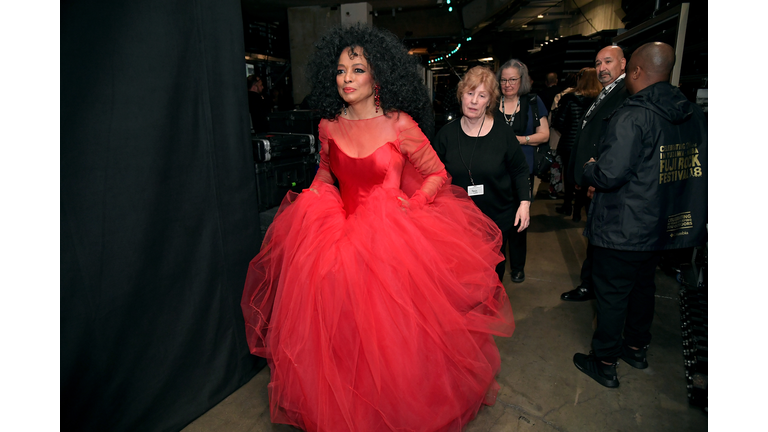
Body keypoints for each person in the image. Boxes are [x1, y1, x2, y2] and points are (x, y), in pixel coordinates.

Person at [241, 25, 515, 432]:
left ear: (378, 76)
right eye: (340, 70)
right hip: (337, 238)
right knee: (342, 334)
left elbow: (437, 173)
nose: (347, 78)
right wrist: (315, 200)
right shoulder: (328, 126)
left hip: (391, 243)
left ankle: (397, 409)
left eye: (357, 69)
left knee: (394, 341)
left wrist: (416, 203)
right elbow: (325, 176)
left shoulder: (399, 124)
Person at [573, 42, 707, 388]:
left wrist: (590, 168)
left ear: (634, 71)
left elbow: (608, 174)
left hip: (623, 225)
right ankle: (635, 348)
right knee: (642, 288)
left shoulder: (633, 115)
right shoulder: (692, 113)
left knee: (612, 294)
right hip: (661, 225)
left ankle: (604, 362)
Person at [433, 66, 531, 283]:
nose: (474, 101)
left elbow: (519, 169)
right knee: (462, 276)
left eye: (481, 95)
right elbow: (432, 174)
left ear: (490, 101)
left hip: (497, 219)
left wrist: (524, 203)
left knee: (492, 275)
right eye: (470, 93)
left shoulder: (503, 133)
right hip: (458, 222)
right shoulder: (446, 135)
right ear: (461, 96)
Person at [559, 45, 629, 302]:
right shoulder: (606, 92)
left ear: (623, 64)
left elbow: (612, 142)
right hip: (593, 178)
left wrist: (595, 176)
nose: (602, 69)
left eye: (608, 62)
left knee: (600, 241)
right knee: (594, 237)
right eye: (598, 64)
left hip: (603, 180)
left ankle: (593, 287)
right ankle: (590, 283)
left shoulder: (623, 94)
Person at [496, 59, 549, 202]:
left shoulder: (533, 102)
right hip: (496, 168)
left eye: (512, 80)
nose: (507, 85)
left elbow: (544, 135)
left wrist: (521, 140)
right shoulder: (492, 103)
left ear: (522, 80)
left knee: (521, 209)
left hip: (524, 167)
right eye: (503, 80)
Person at [552, 67, 601, 219]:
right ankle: (578, 210)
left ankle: (567, 205)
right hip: (590, 145)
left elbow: (559, 121)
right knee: (586, 175)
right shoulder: (600, 100)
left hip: (570, 143)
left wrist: (569, 131)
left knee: (569, 175)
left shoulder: (569, 98)